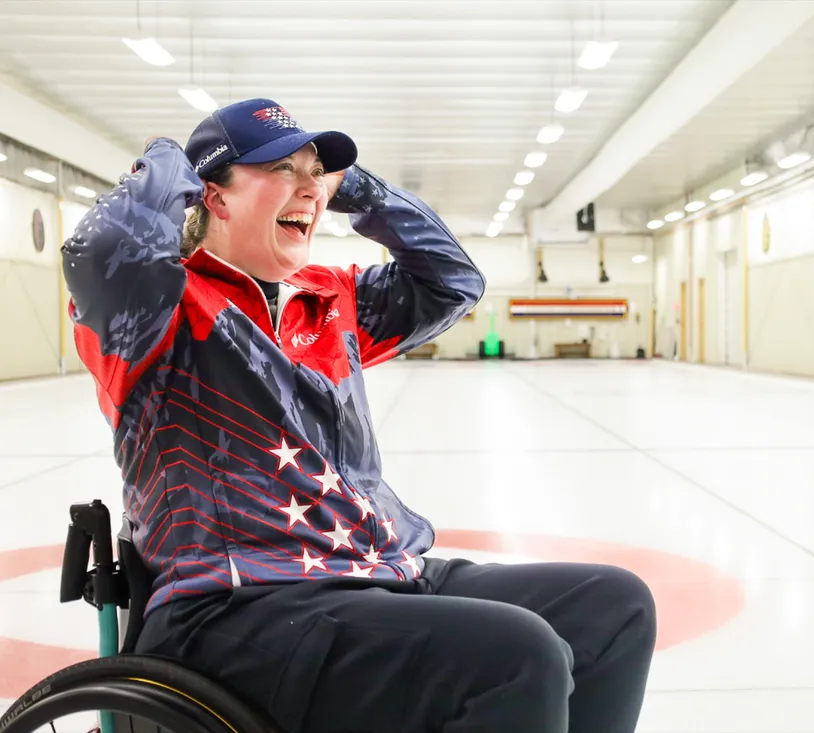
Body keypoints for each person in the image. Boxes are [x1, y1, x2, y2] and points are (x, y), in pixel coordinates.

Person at [62, 97, 657, 733]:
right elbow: (99, 250)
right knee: (518, 654)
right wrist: (169, 159)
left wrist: (359, 193)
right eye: (282, 169)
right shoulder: (156, 306)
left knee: (615, 607)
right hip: (241, 604)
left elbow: (454, 283)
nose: (309, 187)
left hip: (376, 571)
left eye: (315, 170)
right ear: (214, 196)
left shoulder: (328, 298)